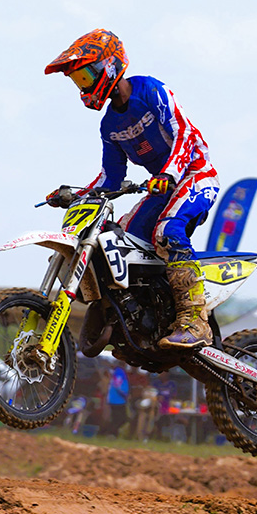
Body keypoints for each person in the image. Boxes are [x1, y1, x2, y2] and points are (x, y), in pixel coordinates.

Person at [44, 29, 220, 349]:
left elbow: (184, 134)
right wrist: (74, 195)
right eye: (78, 81)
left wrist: (168, 173)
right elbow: (110, 178)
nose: (83, 86)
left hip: (196, 175)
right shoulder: (109, 125)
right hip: (162, 188)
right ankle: (138, 314)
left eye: (85, 77)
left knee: (168, 231)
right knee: (121, 239)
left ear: (109, 66)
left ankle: (196, 321)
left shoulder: (150, 90)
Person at [106, 364, 129, 437]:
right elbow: (118, 385)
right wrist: (125, 395)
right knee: (120, 418)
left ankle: (113, 434)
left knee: (117, 418)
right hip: (118, 400)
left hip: (116, 399)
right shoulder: (119, 372)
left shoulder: (117, 372)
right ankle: (111, 433)